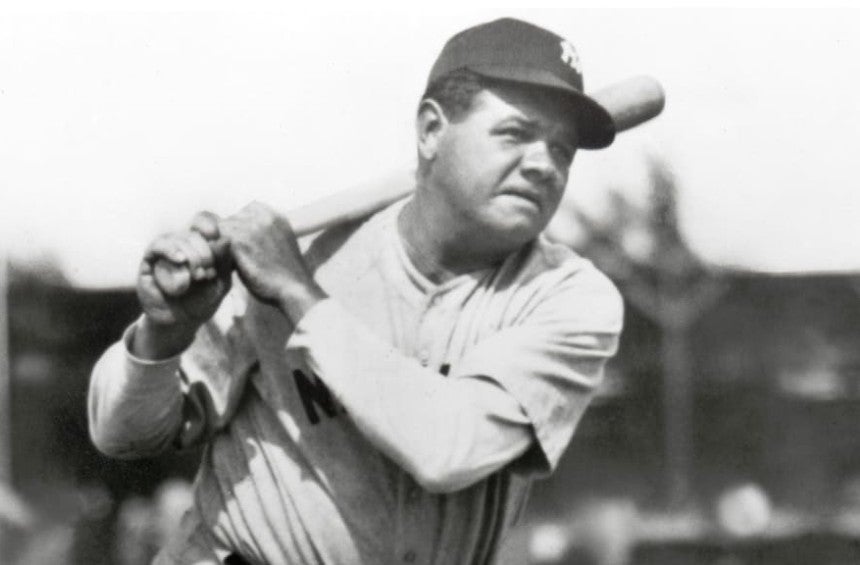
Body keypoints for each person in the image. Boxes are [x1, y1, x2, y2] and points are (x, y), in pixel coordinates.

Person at [88, 17, 624, 565]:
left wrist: (297, 295)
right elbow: (123, 436)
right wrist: (164, 333)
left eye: (562, 150)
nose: (543, 165)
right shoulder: (304, 255)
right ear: (431, 131)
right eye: (515, 133)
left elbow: (448, 450)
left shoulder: (569, 298)